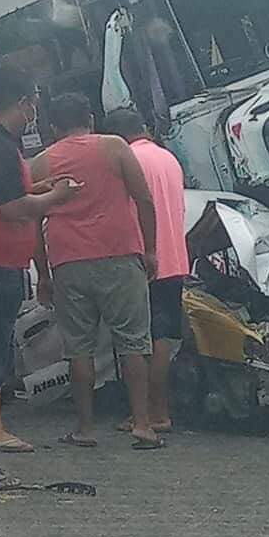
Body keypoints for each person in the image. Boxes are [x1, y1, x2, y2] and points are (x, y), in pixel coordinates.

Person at [0, 69, 79, 490]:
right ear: (24, 102)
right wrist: (56, 198)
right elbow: (12, 208)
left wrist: (38, 186)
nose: (34, 111)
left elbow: (1, 194)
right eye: (33, 103)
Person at [30, 92, 162, 450]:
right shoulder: (115, 147)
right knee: (133, 341)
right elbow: (145, 199)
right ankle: (143, 424)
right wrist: (150, 250)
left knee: (79, 348)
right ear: (90, 117)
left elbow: (32, 223)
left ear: (53, 127)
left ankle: (85, 428)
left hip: (68, 261)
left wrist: (43, 274)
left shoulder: (40, 163)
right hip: (120, 254)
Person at [104, 108, 188, 434]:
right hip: (175, 259)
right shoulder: (169, 158)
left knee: (138, 342)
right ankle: (161, 411)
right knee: (163, 338)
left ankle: (146, 413)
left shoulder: (128, 160)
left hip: (141, 260)